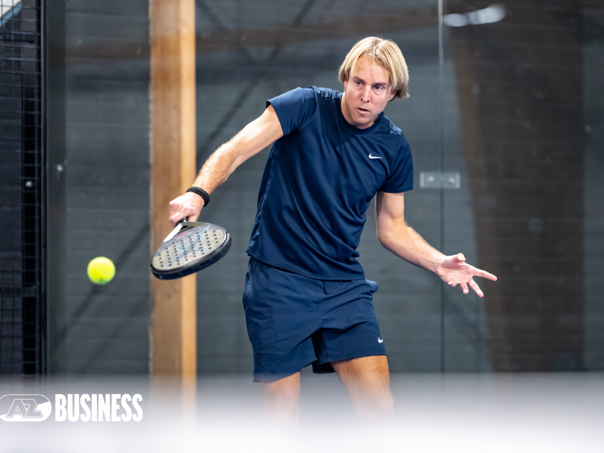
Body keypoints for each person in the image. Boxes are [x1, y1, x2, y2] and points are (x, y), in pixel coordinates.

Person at [168, 37, 497, 421]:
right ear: (345, 79)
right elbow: (236, 148)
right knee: (282, 419)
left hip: (343, 287)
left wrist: (438, 262)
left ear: (393, 93)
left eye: (378, 87)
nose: (365, 96)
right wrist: (198, 192)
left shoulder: (393, 147)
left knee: (379, 409)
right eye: (358, 82)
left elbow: (392, 227)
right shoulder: (303, 105)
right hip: (278, 282)